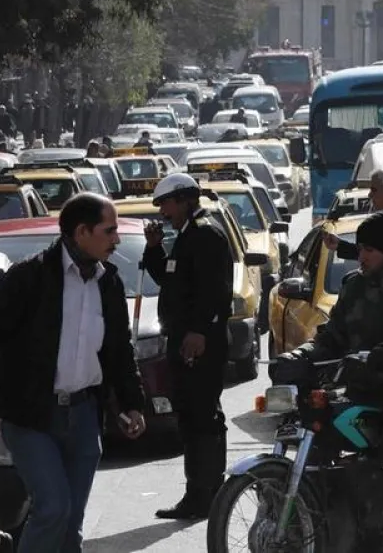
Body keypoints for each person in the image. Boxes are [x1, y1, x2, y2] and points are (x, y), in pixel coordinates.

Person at [0, 193, 148, 553]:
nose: (116, 239)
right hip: (32, 417)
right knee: (53, 509)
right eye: (109, 230)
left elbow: (118, 351)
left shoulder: (108, 282)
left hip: (83, 417)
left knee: (71, 523)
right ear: (82, 232)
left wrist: (131, 403)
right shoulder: (28, 279)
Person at [272, 211, 383, 545]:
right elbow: (331, 336)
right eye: (362, 248)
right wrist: (298, 357)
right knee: (319, 422)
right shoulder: (354, 286)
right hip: (364, 385)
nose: (363, 255)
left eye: (371, 249)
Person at [142, 173, 234, 520]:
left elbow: (215, 291)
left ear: (183, 200)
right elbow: (171, 280)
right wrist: (153, 249)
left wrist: (198, 332)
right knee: (194, 414)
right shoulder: (185, 236)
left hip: (200, 341)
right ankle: (204, 490)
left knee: (201, 416)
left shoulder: (205, 234)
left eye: (165, 204)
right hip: (185, 338)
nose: (163, 212)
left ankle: (204, 492)